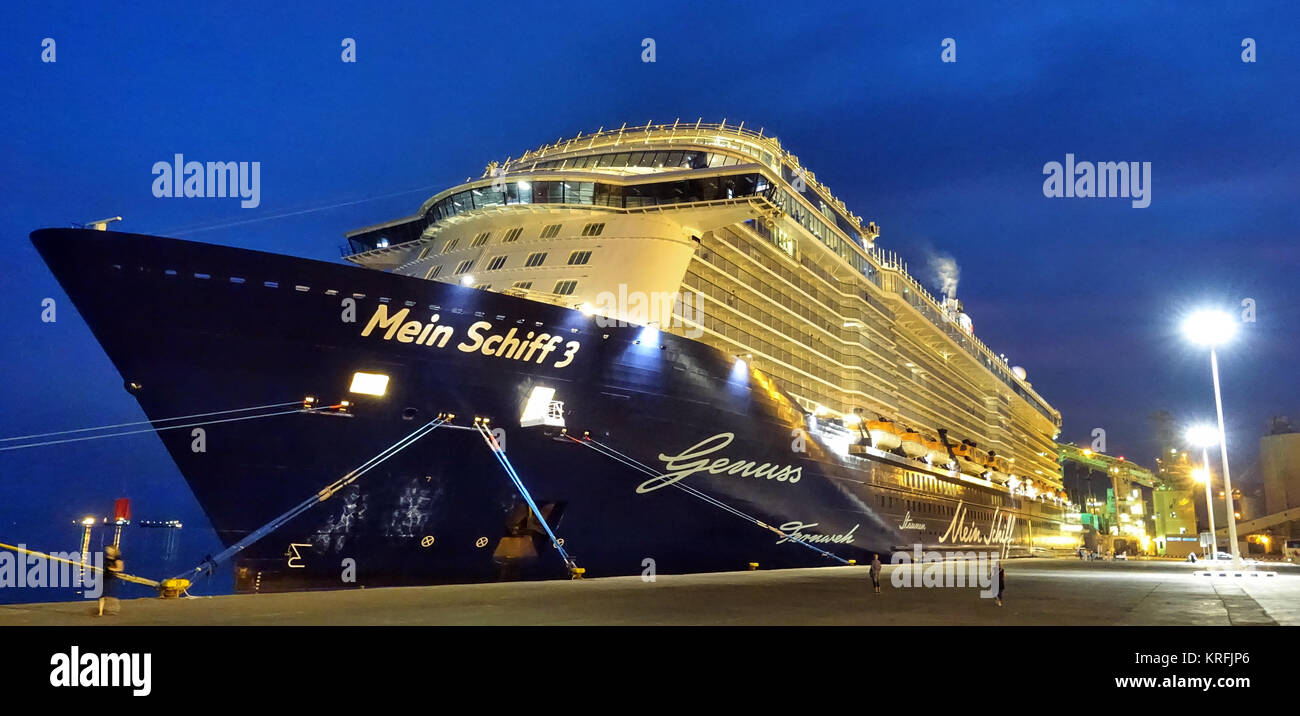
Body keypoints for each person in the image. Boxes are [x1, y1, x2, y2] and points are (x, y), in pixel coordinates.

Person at [98, 545, 123, 616]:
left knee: (110, 594)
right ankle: (100, 612)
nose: (108, 550)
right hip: (104, 577)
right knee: (101, 595)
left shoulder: (117, 559)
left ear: (114, 550)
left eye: (109, 549)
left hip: (112, 578)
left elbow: (120, 568)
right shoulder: (106, 558)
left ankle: (114, 609)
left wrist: (111, 569)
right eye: (107, 549)